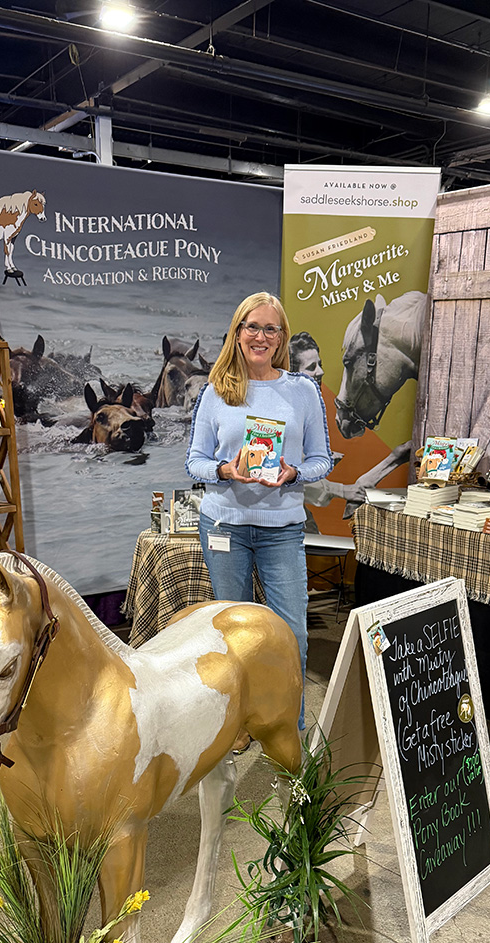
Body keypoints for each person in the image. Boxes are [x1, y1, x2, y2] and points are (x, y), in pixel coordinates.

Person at [186, 292, 334, 743]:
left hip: (281, 530)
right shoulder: (215, 392)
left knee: (292, 636)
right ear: (238, 332)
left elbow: (321, 460)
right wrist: (224, 470)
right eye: (252, 327)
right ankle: (238, 726)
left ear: (282, 337)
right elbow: (194, 461)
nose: (261, 336)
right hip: (224, 524)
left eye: (271, 329)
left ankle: (290, 723)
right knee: (233, 637)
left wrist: (293, 474)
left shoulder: (302, 391)